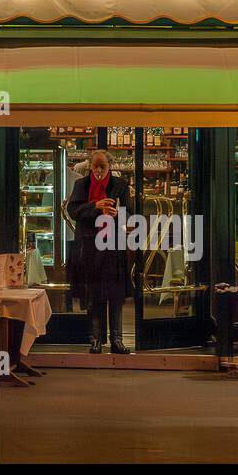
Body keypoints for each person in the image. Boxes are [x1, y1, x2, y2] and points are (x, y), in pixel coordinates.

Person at [67, 149, 132, 355]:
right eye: (95, 167)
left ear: (110, 166)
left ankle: (117, 340)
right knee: (93, 294)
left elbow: (130, 212)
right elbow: (73, 211)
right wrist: (96, 206)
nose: (98, 171)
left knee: (115, 294)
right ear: (90, 166)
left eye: (102, 167)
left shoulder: (120, 185)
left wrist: (118, 214)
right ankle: (95, 339)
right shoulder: (81, 185)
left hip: (113, 247)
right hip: (89, 246)